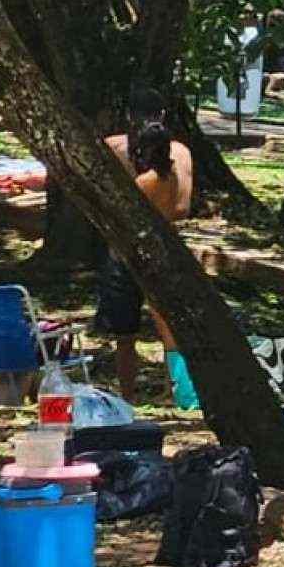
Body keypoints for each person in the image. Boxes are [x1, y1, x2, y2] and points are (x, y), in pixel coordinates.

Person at [95, 115, 194, 399]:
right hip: (162, 252)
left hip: (130, 258)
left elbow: (122, 215)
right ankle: (176, 390)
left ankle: (128, 393)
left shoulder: (144, 182)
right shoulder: (172, 176)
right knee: (170, 331)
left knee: (125, 336)